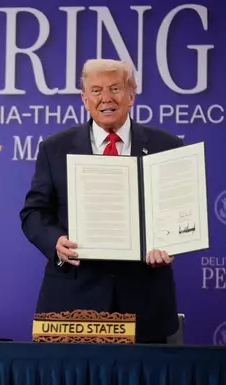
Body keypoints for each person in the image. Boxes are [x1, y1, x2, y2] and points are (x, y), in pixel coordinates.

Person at [19, 59, 182, 344]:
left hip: (144, 299)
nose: (105, 98)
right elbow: (34, 212)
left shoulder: (166, 146)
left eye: (115, 88)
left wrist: (172, 242)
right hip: (73, 298)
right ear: (84, 99)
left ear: (131, 94)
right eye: (95, 90)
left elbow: (179, 210)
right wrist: (55, 241)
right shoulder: (55, 148)